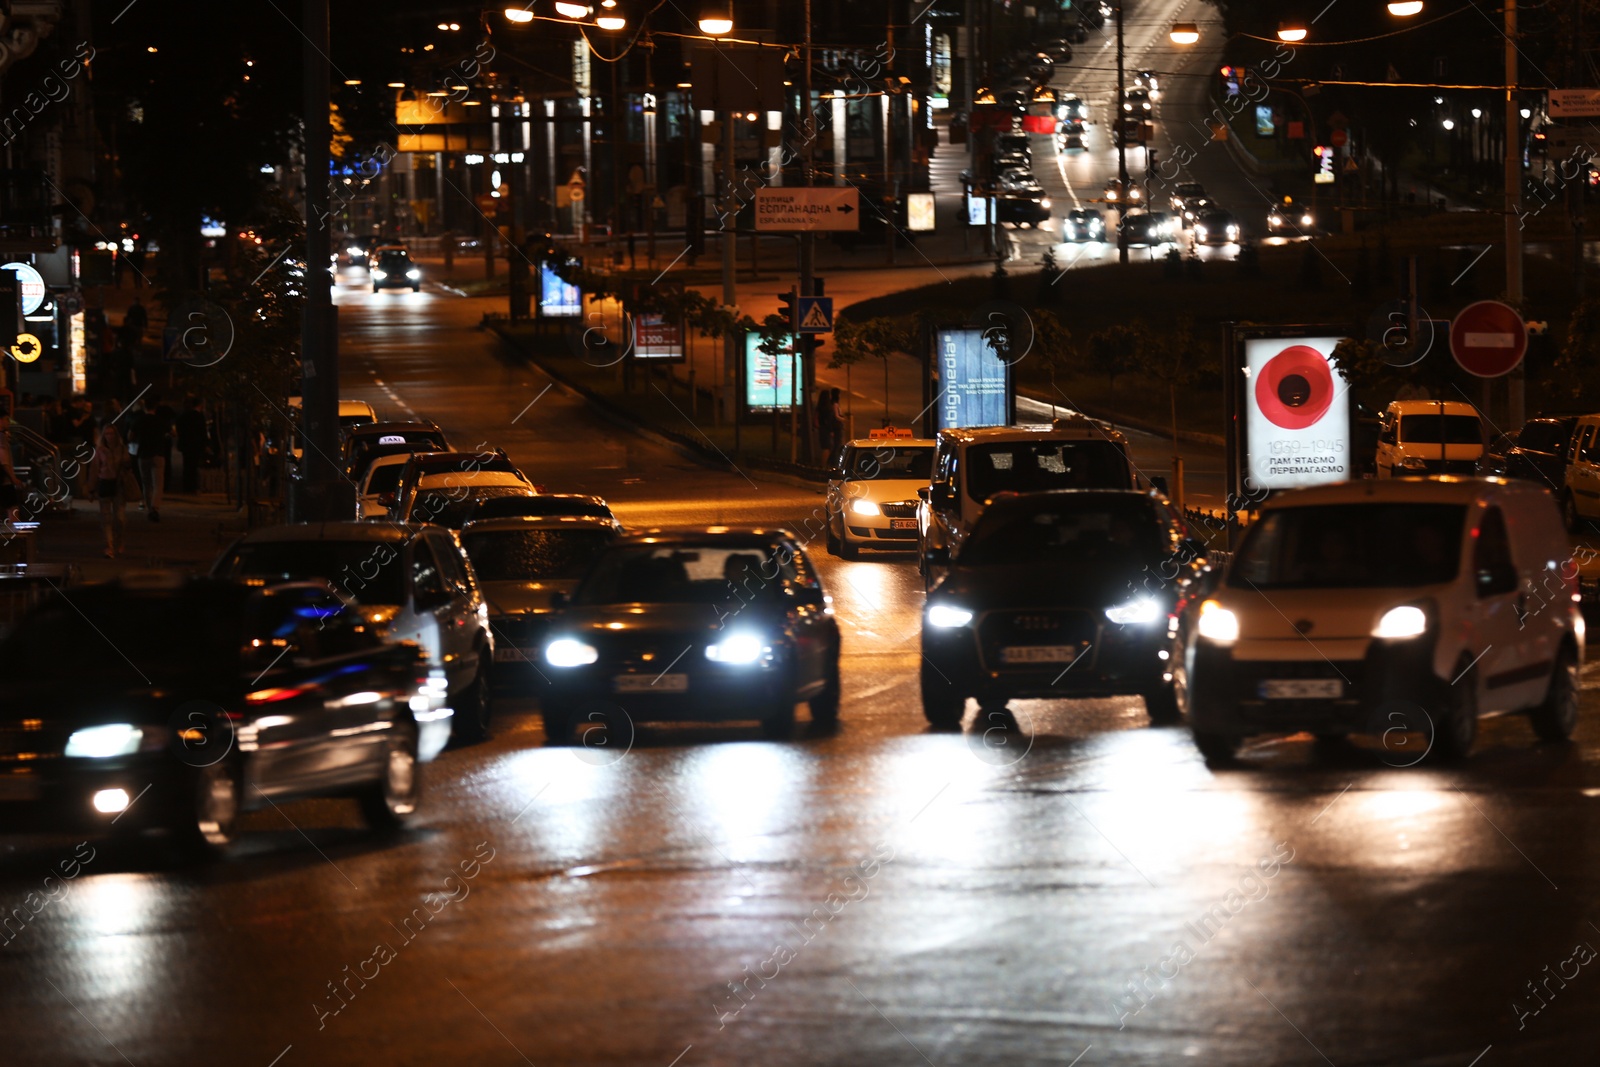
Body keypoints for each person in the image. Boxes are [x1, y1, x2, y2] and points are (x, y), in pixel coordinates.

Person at [128, 392, 175, 521]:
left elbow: (130, 436)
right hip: (158, 453)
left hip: (143, 454)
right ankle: (155, 507)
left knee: (146, 483)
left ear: (145, 407)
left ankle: (149, 508)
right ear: (156, 407)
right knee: (158, 483)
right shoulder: (161, 421)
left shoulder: (139, 420)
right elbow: (173, 433)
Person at [92, 419, 130, 558]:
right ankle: (109, 545)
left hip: (119, 486)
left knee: (119, 518)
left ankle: (119, 541)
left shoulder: (122, 448)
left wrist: (124, 469)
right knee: (106, 517)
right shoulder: (100, 450)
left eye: (112, 433)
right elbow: (95, 469)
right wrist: (92, 487)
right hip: (104, 484)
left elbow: (128, 466)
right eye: (107, 434)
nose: (109, 436)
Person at [177, 396, 208, 494]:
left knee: (187, 465)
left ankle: (186, 486)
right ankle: (193, 487)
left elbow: (179, 428)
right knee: (194, 466)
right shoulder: (199, 416)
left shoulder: (184, 415)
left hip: (185, 444)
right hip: (196, 445)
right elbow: (202, 432)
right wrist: (205, 444)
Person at [0, 408, 22, 523]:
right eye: (6, 419)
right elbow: (4, 460)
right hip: (4, 477)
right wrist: (12, 477)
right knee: (12, 505)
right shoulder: (1, 437)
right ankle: (14, 532)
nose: (8, 422)